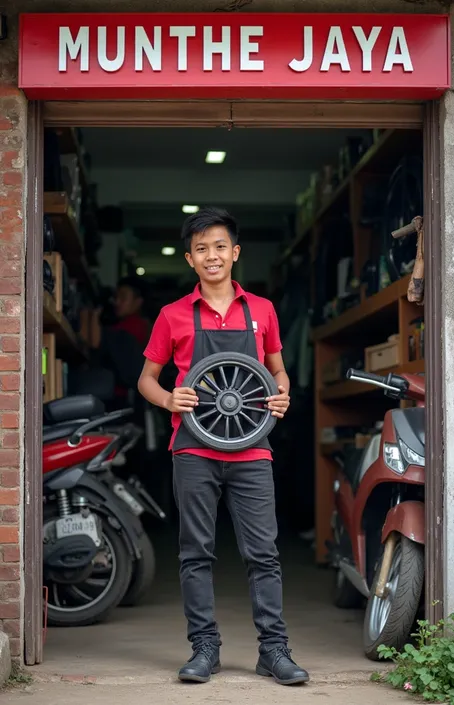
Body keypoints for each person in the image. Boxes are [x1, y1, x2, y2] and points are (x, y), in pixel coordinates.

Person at [138, 207, 309, 686]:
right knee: (196, 551)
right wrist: (170, 397)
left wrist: (282, 394)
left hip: (253, 447)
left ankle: (274, 651)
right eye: (200, 249)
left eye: (218, 246)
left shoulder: (263, 311)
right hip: (192, 446)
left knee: (264, 553)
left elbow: (277, 369)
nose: (210, 255)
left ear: (234, 253)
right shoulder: (172, 315)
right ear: (189, 259)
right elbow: (146, 380)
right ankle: (204, 649)